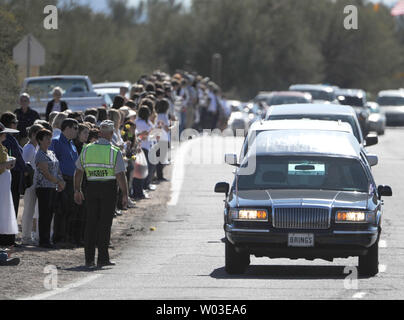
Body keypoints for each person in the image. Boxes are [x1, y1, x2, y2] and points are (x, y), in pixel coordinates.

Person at [74, 120, 128, 268]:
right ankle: (103, 258)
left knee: (91, 223)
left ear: (99, 133)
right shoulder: (114, 151)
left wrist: (77, 190)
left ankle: (89, 259)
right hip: (108, 189)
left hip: (91, 187)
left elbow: (78, 172)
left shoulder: (86, 149)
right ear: (111, 134)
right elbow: (120, 175)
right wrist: (125, 194)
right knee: (104, 224)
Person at [49, 119, 79, 246]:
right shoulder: (56, 141)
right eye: (75, 128)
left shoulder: (71, 143)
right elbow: (52, 161)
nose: (77, 131)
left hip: (71, 179)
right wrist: (58, 179)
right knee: (61, 209)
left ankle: (67, 237)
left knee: (70, 209)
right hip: (62, 180)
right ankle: (59, 238)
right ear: (67, 128)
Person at [35, 129, 65, 248]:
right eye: (46, 138)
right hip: (43, 188)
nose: (49, 140)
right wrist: (58, 182)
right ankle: (44, 240)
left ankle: (48, 238)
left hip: (52, 187)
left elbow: (57, 169)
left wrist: (61, 182)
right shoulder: (40, 154)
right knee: (44, 214)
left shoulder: (51, 153)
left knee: (50, 214)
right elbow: (46, 173)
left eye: (50, 138)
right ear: (40, 140)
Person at [0, 112, 28, 226]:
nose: (16, 124)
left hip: (12, 174)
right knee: (12, 204)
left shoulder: (10, 137)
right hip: (12, 173)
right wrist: (26, 169)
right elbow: (18, 156)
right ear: (8, 124)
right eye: (14, 122)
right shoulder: (8, 139)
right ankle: (8, 235)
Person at [21, 124, 44, 245]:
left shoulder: (34, 148)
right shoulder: (29, 148)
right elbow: (25, 167)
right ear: (34, 134)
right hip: (30, 183)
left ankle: (31, 236)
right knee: (29, 210)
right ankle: (25, 237)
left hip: (35, 182)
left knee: (33, 210)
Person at [0, 123, 19, 248]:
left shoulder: (1, 146)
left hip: (4, 182)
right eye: (3, 132)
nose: (5, 134)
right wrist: (7, 163)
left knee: (4, 208)